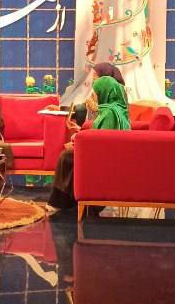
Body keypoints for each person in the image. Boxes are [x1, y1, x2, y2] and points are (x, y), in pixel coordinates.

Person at [48, 75, 130, 210]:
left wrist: (79, 139)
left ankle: (60, 202)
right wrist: (80, 132)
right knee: (69, 156)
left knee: (66, 157)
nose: (94, 96)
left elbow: (103, 140)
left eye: (97, 92)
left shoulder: (110, 113)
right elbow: (99, 134)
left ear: (105, 93)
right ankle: (68, 200)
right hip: (104, 151)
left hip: (107, 157)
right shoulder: (113, 108)